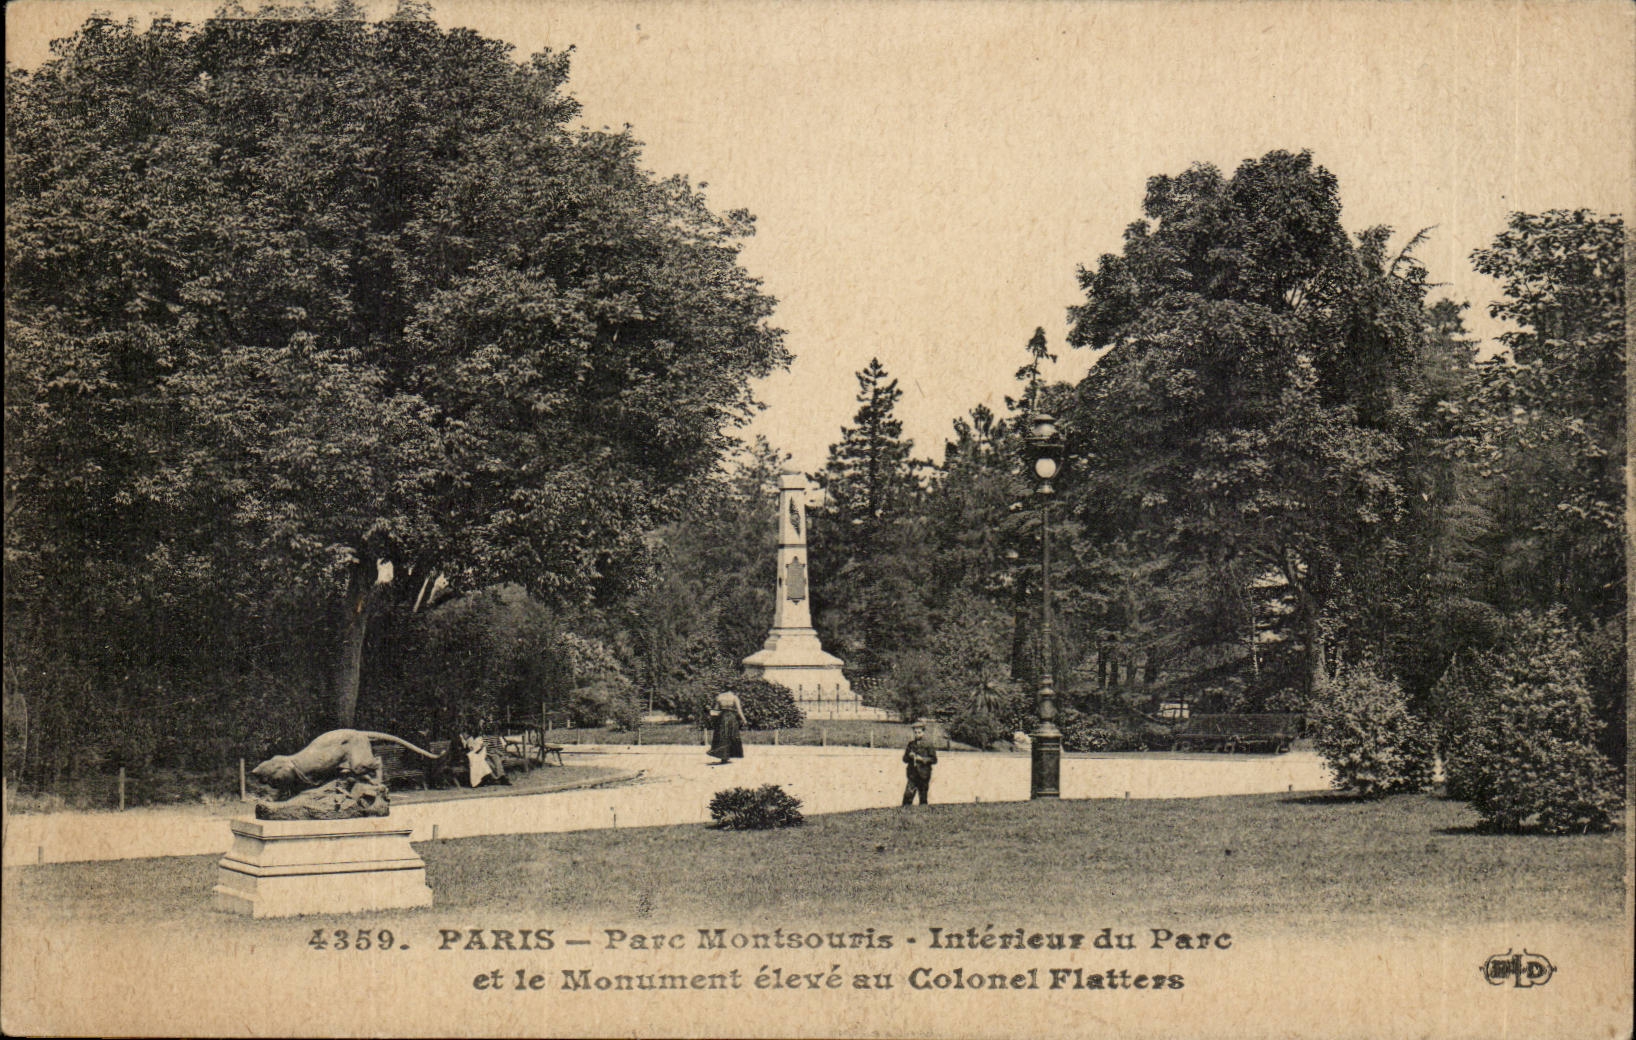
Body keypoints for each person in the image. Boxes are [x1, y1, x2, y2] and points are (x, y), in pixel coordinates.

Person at [902, 720, 938, 806]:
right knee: (907, 796)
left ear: (923, 732)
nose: (917, 734)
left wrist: (922, 759)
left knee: (923, 797)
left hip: (924, 775)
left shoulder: (929, 745)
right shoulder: (911, 744)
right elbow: (904, 759)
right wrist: (909, 756)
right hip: (912, 774)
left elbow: (934, 760)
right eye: (915, 732)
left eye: (919, 732)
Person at [708, 689, 747, 764]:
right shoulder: (734, 697)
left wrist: (713, 719)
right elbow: (739, 710)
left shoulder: (719, 697)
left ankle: (723, 757)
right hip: (732, 718)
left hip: (722, 718)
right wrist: (744, 720)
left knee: (722, 737)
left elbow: (715, 710)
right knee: (731, 737)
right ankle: (728, 755)